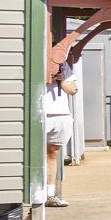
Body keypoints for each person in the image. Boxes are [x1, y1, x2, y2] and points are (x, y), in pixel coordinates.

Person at [38, 59, 77, 209]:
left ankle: (50, 194)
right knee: (35, 154)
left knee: (53, 154)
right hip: (40, 113)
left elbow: (73, 90)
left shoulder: (62, 64)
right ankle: (34, 192)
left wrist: (61, 81)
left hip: (61, 114)